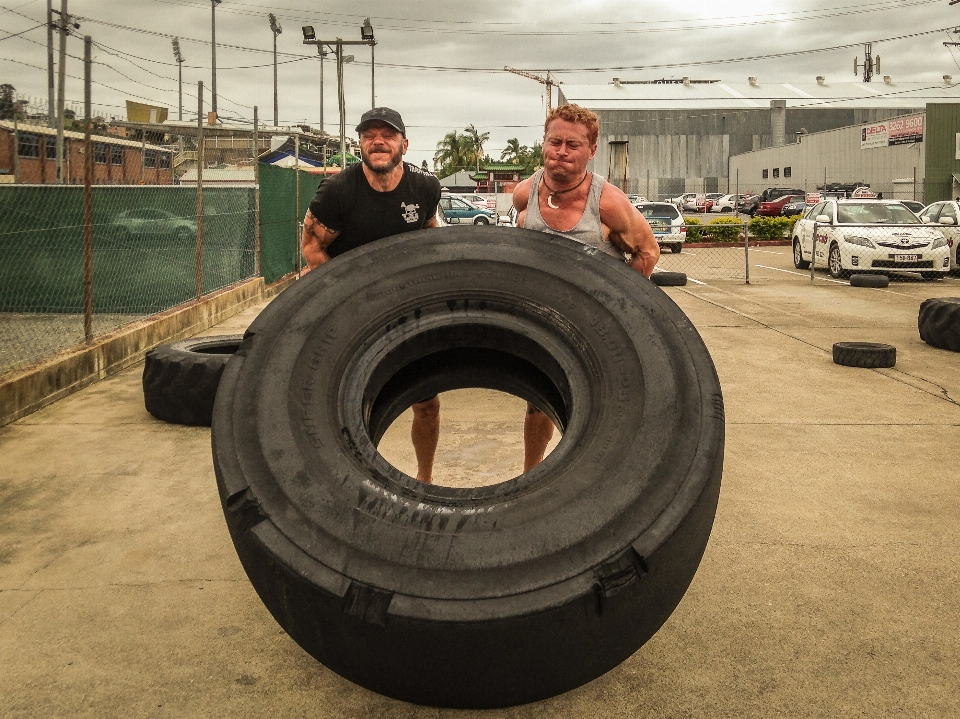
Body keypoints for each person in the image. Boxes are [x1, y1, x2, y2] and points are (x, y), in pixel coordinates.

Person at [513, 103, 660, 470]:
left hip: (599, 326)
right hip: (545, 321)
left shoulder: (608, 202)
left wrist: (618, 304)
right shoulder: (524, 193)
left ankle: (595, 478)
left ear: (591, 150)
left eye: (573, 145)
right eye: (554, 141)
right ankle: (532, 472)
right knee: (539, 405)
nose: (561, 151)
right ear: (544, 144)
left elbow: (648, 252)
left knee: (601, 408)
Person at [301, 107, 443, 483]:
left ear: (404, 144)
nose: (378, 141)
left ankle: (424, 478)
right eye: (369, 135)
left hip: (407, 307)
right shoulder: (338, 191)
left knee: (426, 403)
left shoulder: (425, 187)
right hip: (352, 310)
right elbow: (313, 248)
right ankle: (352, 482)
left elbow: (431, 236)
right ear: (360, 143)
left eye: (388, 134)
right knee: (347, 408)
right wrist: (340, 298)